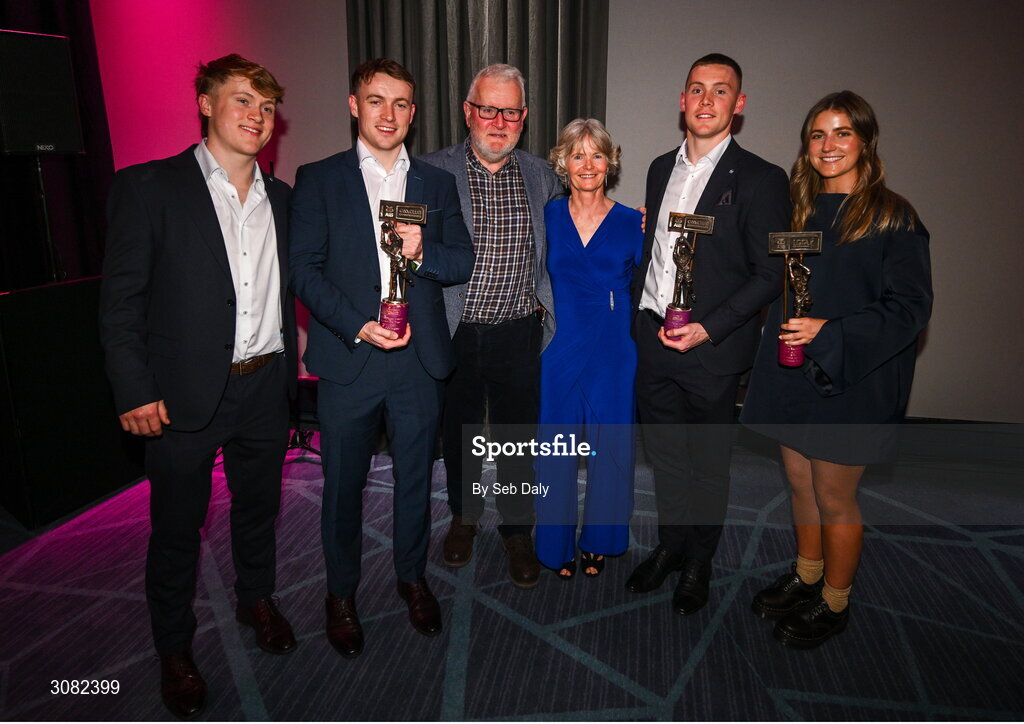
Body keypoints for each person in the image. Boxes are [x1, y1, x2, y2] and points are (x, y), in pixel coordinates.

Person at [98, 54, 296, 719]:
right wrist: (132, 388)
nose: (256, 117)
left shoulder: (287, 202)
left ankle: (255, 599)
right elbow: (120, 303)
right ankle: (173, 648)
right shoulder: (149, 188)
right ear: (205, 105)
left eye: (266, 108)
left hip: (266, 387)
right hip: (179, 396)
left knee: (257, 510)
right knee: (177, 530)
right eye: (241, 101)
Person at [289, 59, 474, 658]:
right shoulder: (318, 178)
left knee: (417, 481)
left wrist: (422, 254)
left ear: (413, 114)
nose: (388, 114)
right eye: (376, 101)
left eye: (400, 104)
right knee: (342, 486)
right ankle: (340, 595)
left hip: (418, 362)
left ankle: (411, 577)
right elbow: (303, 270)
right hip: (352, 357)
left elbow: (460, 262)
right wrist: (356, 324)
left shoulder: (435, 185)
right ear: (354, 106)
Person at [741, 91, 933, 648]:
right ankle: (807, 576)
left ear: (865, 141)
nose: (829, 146)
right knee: (799, 484)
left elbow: (910, 308)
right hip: (791, 367)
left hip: (855, 374)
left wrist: (829, 330)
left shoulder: (894, 216)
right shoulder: (800, 211)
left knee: (834, 496)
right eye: (818, 135)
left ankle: (835, 601)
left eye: (842, 133)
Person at [627, 53, 789, 615]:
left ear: (737, 106)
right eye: (696, 89)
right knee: (666, 458)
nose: (705, 100)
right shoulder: (655, 168)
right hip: (652, 340)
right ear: (682, 99)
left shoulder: (763, 180)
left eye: (720, 92)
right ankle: (670, 546)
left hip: (711, 352)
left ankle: (700, 559)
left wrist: (707, 329)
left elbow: (771, 274)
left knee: (707, 464)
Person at [421, 64, 561, 588]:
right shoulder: (431, 172)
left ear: (523, 118)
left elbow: (573, 229)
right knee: (457, 431)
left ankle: (517, 530)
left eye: (510, 112)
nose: (498, 121)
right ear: (468, 111)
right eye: (488, 109)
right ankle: (463, 516)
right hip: (454, 330)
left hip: (519, 329)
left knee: (516, 437)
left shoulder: (542, 174)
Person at [533, 119, 643, 578]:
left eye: (597, 155)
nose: (588, 164)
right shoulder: (547, 215)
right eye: (577, 155)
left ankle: (600, 538)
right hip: (559, 344)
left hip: (613, 346)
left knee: (611, 446)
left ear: (609, 162)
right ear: (563, 162)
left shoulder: (633, 221)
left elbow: (652, 288)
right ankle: (553, 544)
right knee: (554, 447)